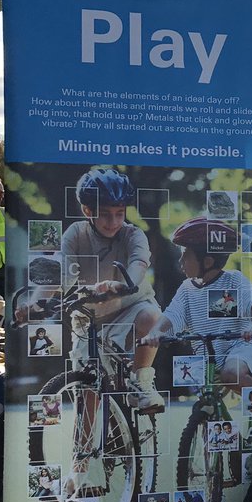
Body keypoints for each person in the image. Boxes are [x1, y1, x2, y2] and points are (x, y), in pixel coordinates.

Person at [61, 168, 163, 411]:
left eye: (120, 213)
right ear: (88, 211)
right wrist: (37, 302)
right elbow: (61, 275)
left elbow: (139, 263)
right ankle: (82, 449)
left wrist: (125, 283)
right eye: (105, 214)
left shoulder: (132, 234)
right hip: (90, 318)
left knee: (151, 317)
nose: (114, 222)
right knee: (87, 401)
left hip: (130, 306)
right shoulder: (75, 233)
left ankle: (141, 385)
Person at [141, 218, 252, 388]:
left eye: (186, 257)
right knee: (201, 398)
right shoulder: (187, 289)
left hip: (240, 349)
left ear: (207, 262)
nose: (180, 262)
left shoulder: (233, 280)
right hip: (207, 356)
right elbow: (172, 315)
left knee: (231, 374)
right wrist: (155, 332)